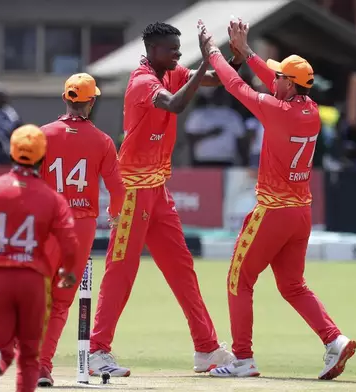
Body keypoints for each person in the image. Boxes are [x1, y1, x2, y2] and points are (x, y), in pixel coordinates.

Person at [199, 19, 356, 379]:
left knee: (239, 280)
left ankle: (242, 359)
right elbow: (270, 81)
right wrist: (247, 50)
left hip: (272, 211)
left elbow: (236, 85)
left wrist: (213, 53)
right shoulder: (309, 111)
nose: (275, 80)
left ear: (289, 84)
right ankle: (334, 339)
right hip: (301, 213)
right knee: (292, 285)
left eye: (280, 77)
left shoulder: (277, 110)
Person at [88, 22, 235, 377]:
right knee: (121, 271)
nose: (178, 54)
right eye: (172, 49)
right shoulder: (143, 82)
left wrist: (236, 57)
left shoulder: (171, 71)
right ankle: (96, 351)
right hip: (132, 192)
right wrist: (202, 63)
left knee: (182, 270)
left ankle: (206, 348)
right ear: (153, 50)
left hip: (157, 189)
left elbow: (215, 79)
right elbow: (175, 104)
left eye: (179, 49)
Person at [0, 124, 79, 392]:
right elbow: (70, 243)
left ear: (11, 153)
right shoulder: (53, 200)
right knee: (29, 356)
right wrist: (68, 271)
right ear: (42, 158)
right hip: (33, 281)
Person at [35, 73, 126, 387]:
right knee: (61, 301)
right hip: (82, 228)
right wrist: (115, 217)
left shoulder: (43, 135)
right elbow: (118, 190)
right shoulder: (102, 141)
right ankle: (42, 367)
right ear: (92, 102)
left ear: (65, 98)